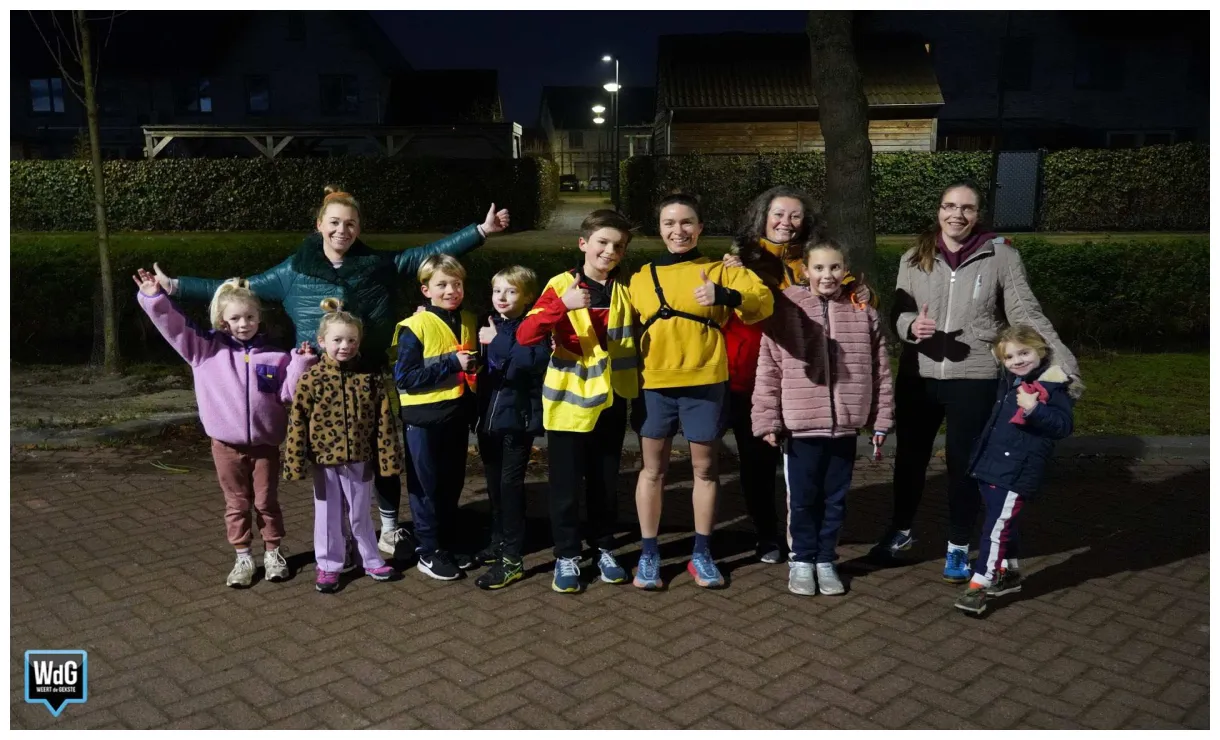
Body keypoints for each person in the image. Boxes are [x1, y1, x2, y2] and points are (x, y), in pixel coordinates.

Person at [150, 187, 510, 562]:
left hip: (368, 373)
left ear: (359, 228)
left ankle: (387, 527)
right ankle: (337, 537)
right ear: (320, 224)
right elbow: (239, 288)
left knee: (380, 450)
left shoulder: (375, 263)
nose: (342, 230)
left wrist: (480, 231)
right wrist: (175, 286)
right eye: (335, 222)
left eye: (350, 223)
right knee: (329, 456)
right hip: (319, 380)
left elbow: (422, 257)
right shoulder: (294, 270)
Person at [874, 180, 1081, 583]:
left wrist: (1063, 365)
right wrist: (910, 325)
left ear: (978, 213)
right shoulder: (914, 257)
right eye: (949, 206)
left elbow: (1026, 312)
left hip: (975, 376)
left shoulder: (1000, 256)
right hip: (919, 375)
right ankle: (900, 532)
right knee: (910, 459)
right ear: (938, 210)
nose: (957, 215)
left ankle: (956, 545)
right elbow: (899, 312)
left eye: (966, 208)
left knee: (964, 465)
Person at [719, 186, 873, 564]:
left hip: (810, 380)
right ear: (763, 216)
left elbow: (852, 299)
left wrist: (864, 294)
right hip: (753, 374)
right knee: (757, 462)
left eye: (795, 216)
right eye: (778, 214)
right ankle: (767, 534)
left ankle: (804, 539)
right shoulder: (741, 260)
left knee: (804, 468)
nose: (785, 222)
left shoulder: (817, 261)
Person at [134, 270, 316, 588]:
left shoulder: (275, 357)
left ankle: (273, 553)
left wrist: (300, 364)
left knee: (266, 502)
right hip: (226, 447)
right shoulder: (204, 351)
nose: (243, 323)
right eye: (236, 318)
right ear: (223, 321)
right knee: (236, 503)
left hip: (266, 446)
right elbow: (173, 327)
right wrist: (154, 298)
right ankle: (243, 557)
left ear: (259, 319)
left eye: (249, 317)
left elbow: (289, 393)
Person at [628, 194, 774, 590]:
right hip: (655, 384)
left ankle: (702, 552)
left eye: (687, 222)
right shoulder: (640, 277)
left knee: (705, 470)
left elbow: (762, 304)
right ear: (659, 229)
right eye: (670, 223)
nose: (679, 231)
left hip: (706, 382)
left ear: (700, 227)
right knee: (652, 471)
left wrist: (724, 295)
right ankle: (649, 554)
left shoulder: (721, 270)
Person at [751, 240, 894, 596]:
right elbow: (768, 368)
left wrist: (881, 419)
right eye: (818, 268)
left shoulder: (862, 312)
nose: (827, 275)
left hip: (845, 426)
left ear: (844, 269)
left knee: (835, 499)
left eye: (834, 267)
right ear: (805, 271)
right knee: (802, 499)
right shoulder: (785, 310)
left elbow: (880, 370)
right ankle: (801, 559)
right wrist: (768, 419)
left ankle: (826, 559)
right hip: (801, 426)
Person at [516, 210, 639, 594]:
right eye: (602, 242)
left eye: (617, 246)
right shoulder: (560, 285)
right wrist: (561, 306)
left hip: (612, 399)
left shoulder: (627, 289)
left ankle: (604, 548)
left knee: (605, 482)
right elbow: (525, 334)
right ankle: (567, 554)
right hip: (569, 401)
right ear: (583, 243)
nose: (609, 250)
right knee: (565, 485)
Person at [283, 299, 405, 594]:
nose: (344, 345)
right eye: (337, 339)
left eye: (351, 340)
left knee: (361, 513)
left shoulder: (369, 378)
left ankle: (371, 558)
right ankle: (328, 564)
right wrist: (295, 460)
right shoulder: (311, 379)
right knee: (327, 515)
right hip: (325, 462)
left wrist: (387, 457)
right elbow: (297, 421)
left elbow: (383, 420)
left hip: (360, 459)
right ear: (322, 341)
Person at [955, 325, 1078, 615]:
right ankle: (1008, 573)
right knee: (1001, 523)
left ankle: (979, 584)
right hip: (993, 463)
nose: (1018, 360)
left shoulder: (1052, 386)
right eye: (1010, 357)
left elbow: (1063, 426)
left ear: (1041, 350)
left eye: (1024, 353)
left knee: (995, 528)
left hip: (1016, 470)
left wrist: (1036, 409)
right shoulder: (1009, 380)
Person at [392, 254, 480, 581]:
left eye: (456, 284)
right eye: (442, 285)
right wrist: (452, 363)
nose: (451, 290)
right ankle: (428, 551)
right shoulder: (414, 326)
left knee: (449, 484)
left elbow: (472, 366)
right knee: (425, 487)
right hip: (423, 420)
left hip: (455, 415)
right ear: (426, 290)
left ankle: (445, 542)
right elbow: (405, 377)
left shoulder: (468, 318)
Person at [473, 266, 550, 590]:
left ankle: (512, 560)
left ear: (527, 297)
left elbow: (529, 362)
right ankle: (498, 541)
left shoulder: (532, 327)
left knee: (510, 487)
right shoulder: (491, 322)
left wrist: (497, 340)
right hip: (488, 418)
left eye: (511, 291)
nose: (502, 297)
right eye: (497, 291)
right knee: (494, 485)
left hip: (517, 421)